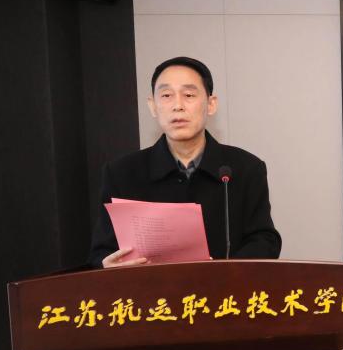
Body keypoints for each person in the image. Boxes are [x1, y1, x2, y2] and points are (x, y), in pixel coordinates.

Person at [88, 56, 281, 268]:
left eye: (188, 95)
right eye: (166, 95)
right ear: (153, 106)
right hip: (150, 288)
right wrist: (107, 266)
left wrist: (225, 272)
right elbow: (101, 252)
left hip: (224, 287)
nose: (177, 106)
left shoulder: (245, 168)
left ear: (211, 104)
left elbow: (264, 240)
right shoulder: (121, 173)